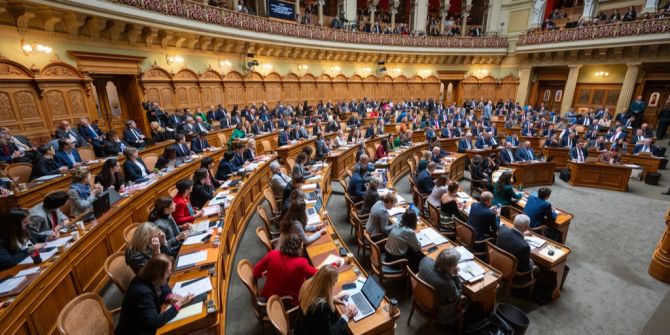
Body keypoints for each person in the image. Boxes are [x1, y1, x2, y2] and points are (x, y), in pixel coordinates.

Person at [115, 254, 193, 335]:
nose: (170, 273)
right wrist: (179, 304)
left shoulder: (148, 275)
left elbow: (163, 285)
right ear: (159, 274)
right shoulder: (142, 293)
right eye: (168, 271)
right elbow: (154, 322)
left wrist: (169, 297)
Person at [253, 234, 317, 306]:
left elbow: (256, 271)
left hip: (269, 293)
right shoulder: (301, 263)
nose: (302, 248)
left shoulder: (272, 254)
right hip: (288, 300)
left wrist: (261, 275)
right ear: (298, 249)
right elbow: (316, 274)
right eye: (301, 246)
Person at [293, 265, 357, 335]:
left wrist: (331, 299)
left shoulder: (307, 286)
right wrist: (346, 316)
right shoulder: (322, 307)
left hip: (301, 330)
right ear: (329, 284)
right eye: (334, 282)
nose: (334, 285)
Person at [417, 249, 464, 324]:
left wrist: (448, 272)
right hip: (436, 309)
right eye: (456, 263)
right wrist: (456, 276)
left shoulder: (425, 260)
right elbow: (458, 296)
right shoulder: (447, 284)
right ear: (450, 267)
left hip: (419, 296)